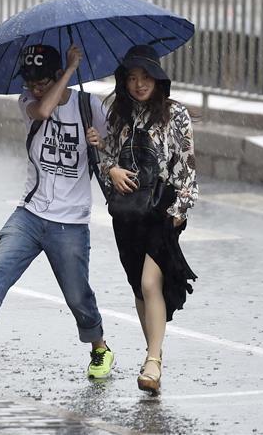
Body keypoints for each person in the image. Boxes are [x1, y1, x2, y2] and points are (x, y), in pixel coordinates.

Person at [0, 44, 115, 379]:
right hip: (30, 213)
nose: (34, 88)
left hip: (70, 222)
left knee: (77, 295)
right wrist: (69, 70)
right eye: (30, 82)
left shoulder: (88, 106)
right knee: (0, 267)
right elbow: (44, 111)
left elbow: (117, 145)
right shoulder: (27, 102)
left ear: (55, 76)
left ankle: (100, 349)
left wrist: (100, 141)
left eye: (41, 82)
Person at [93, 45, 198, 395]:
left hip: (163, 209)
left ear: (158, 79)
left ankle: (152, 360)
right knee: (139, 286)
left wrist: (179, 211)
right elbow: (108, 162)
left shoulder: (176, 114)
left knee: (152, 282)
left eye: (145, 77)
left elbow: (187, 166)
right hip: (127, 213)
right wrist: (109, 165)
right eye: (132, 78)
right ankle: (154, 353)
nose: (139, 85)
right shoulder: (119, 116)